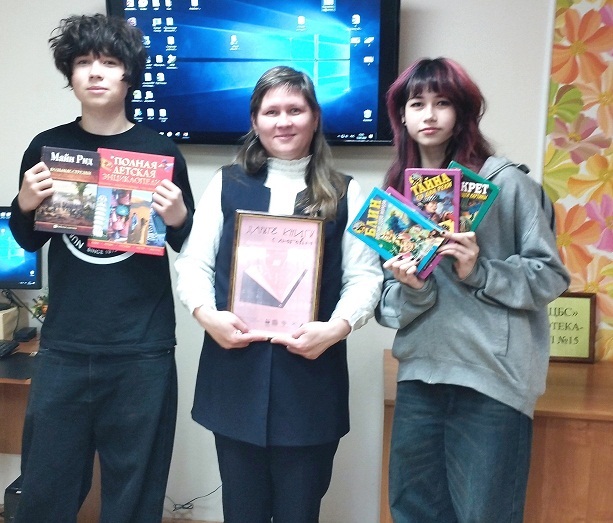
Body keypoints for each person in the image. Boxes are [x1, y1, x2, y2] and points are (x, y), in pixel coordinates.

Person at [174, 65, 382, 523]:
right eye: (271, 112)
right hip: (236, 375)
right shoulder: (226, 184)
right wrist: (206, 315)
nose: (283, 121)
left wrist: (336, 328)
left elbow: (365, 278)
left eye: (295, 110)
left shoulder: (347, 191)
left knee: (299, 512)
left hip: (311, 380)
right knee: (241, 511)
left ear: (314, 117)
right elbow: (193, 263)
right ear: (255, 121)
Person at [9, 14, 194, 523]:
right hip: (64, 345)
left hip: (143, 348)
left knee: (135, 494)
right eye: (83, 62)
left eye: (109, 62)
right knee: (45, 490)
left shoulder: (161, 151)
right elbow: (28, 239)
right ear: (69, 74)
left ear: (129, 75)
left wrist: (179, 216)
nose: (95, 72)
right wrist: (24, 203)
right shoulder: (47, 148)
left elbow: (186, 243)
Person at [376, 57, 570, 523]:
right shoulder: (396, 197)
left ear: (462, 112)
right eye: (416, 104)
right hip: (420, 378)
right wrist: (413, 288)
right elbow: (387, 306)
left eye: (442, 103)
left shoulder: (509, 184)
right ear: (402, 115)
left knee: (486, 514)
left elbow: (550, 276)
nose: (429, 114)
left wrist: (479, 271)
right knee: (412, 510)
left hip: (492, 381)